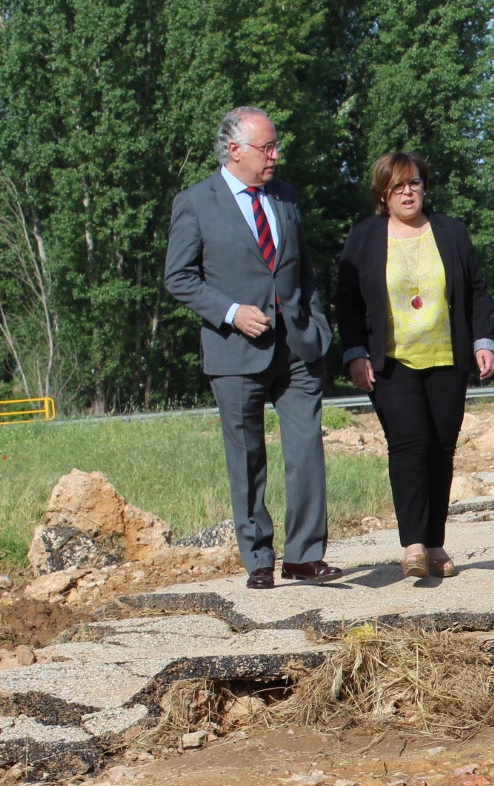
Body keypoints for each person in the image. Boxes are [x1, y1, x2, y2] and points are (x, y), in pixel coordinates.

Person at [165, 106, 338, 590]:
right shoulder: (196, 202)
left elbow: (303, 269)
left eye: (276, 145)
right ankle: (258, 557)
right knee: (247, 455)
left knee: (306, 448)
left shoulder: (284, 196)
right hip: (235, 348)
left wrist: (317, 324)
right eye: (267, 147)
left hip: (298, 346)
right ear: (234, 150)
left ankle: (305, 555)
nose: (275, 156)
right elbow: (179, 278)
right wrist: (231, 311)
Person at [335, 152, 494, 579]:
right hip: (392, 361)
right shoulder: (364, 237)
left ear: (425, 188)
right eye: (397, 187)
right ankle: (412, 544)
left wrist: (483, 341)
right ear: (383, 196)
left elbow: (477, 290)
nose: (407, 193)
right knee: (410, 443)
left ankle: (434, 542)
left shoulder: (451, 232)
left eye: (415, 184)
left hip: (447, 356)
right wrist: (354, 352)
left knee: (441, 448)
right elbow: (348, 302)